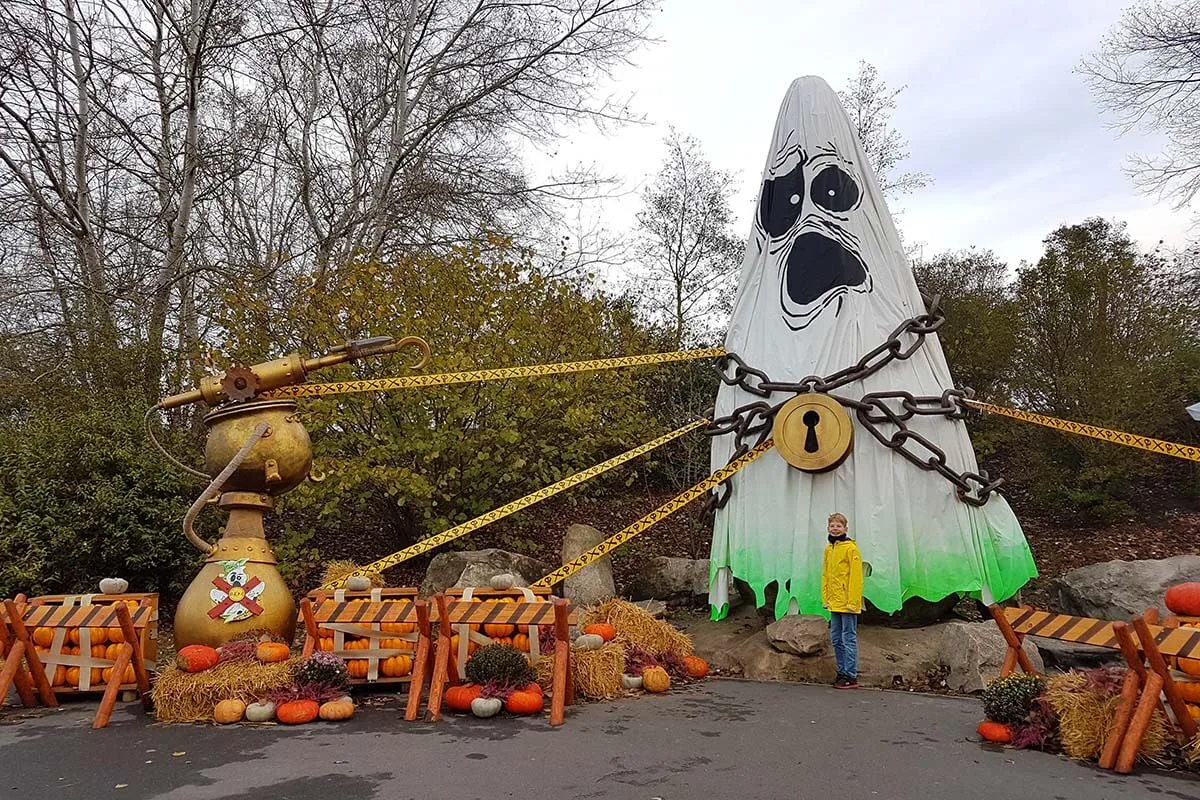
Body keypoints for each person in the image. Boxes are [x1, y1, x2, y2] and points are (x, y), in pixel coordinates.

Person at [821, 512, 863, 689]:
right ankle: (841, 671)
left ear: (845, 529)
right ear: (828, 528)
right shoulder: (829, 550)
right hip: (834, 602)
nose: (835, 529)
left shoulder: (851, 549)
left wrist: (853, 602)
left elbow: (856, 577)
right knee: (836, 638)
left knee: (848, 637)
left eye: (839, 526)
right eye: (832, 526)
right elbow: (826, 575)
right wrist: (826, 597)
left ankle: (850, 674)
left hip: (847, 602)